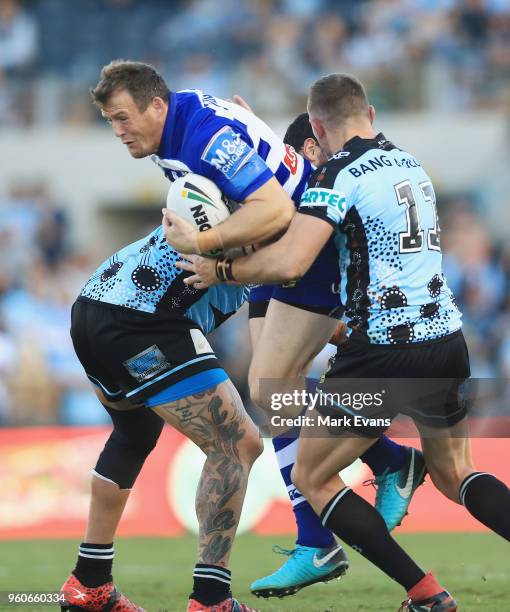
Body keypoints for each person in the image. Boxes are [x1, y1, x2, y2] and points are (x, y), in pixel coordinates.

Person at [178, 73, 510, 611]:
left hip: (384, 355)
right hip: (447, 342)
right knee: (458, 475)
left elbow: (291, 260)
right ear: (371, 114)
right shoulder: (410, 164)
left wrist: (219, 267)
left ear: (315, 127)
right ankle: (396, 472)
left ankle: (425, 594)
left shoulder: (335, 176)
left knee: (312, 475)